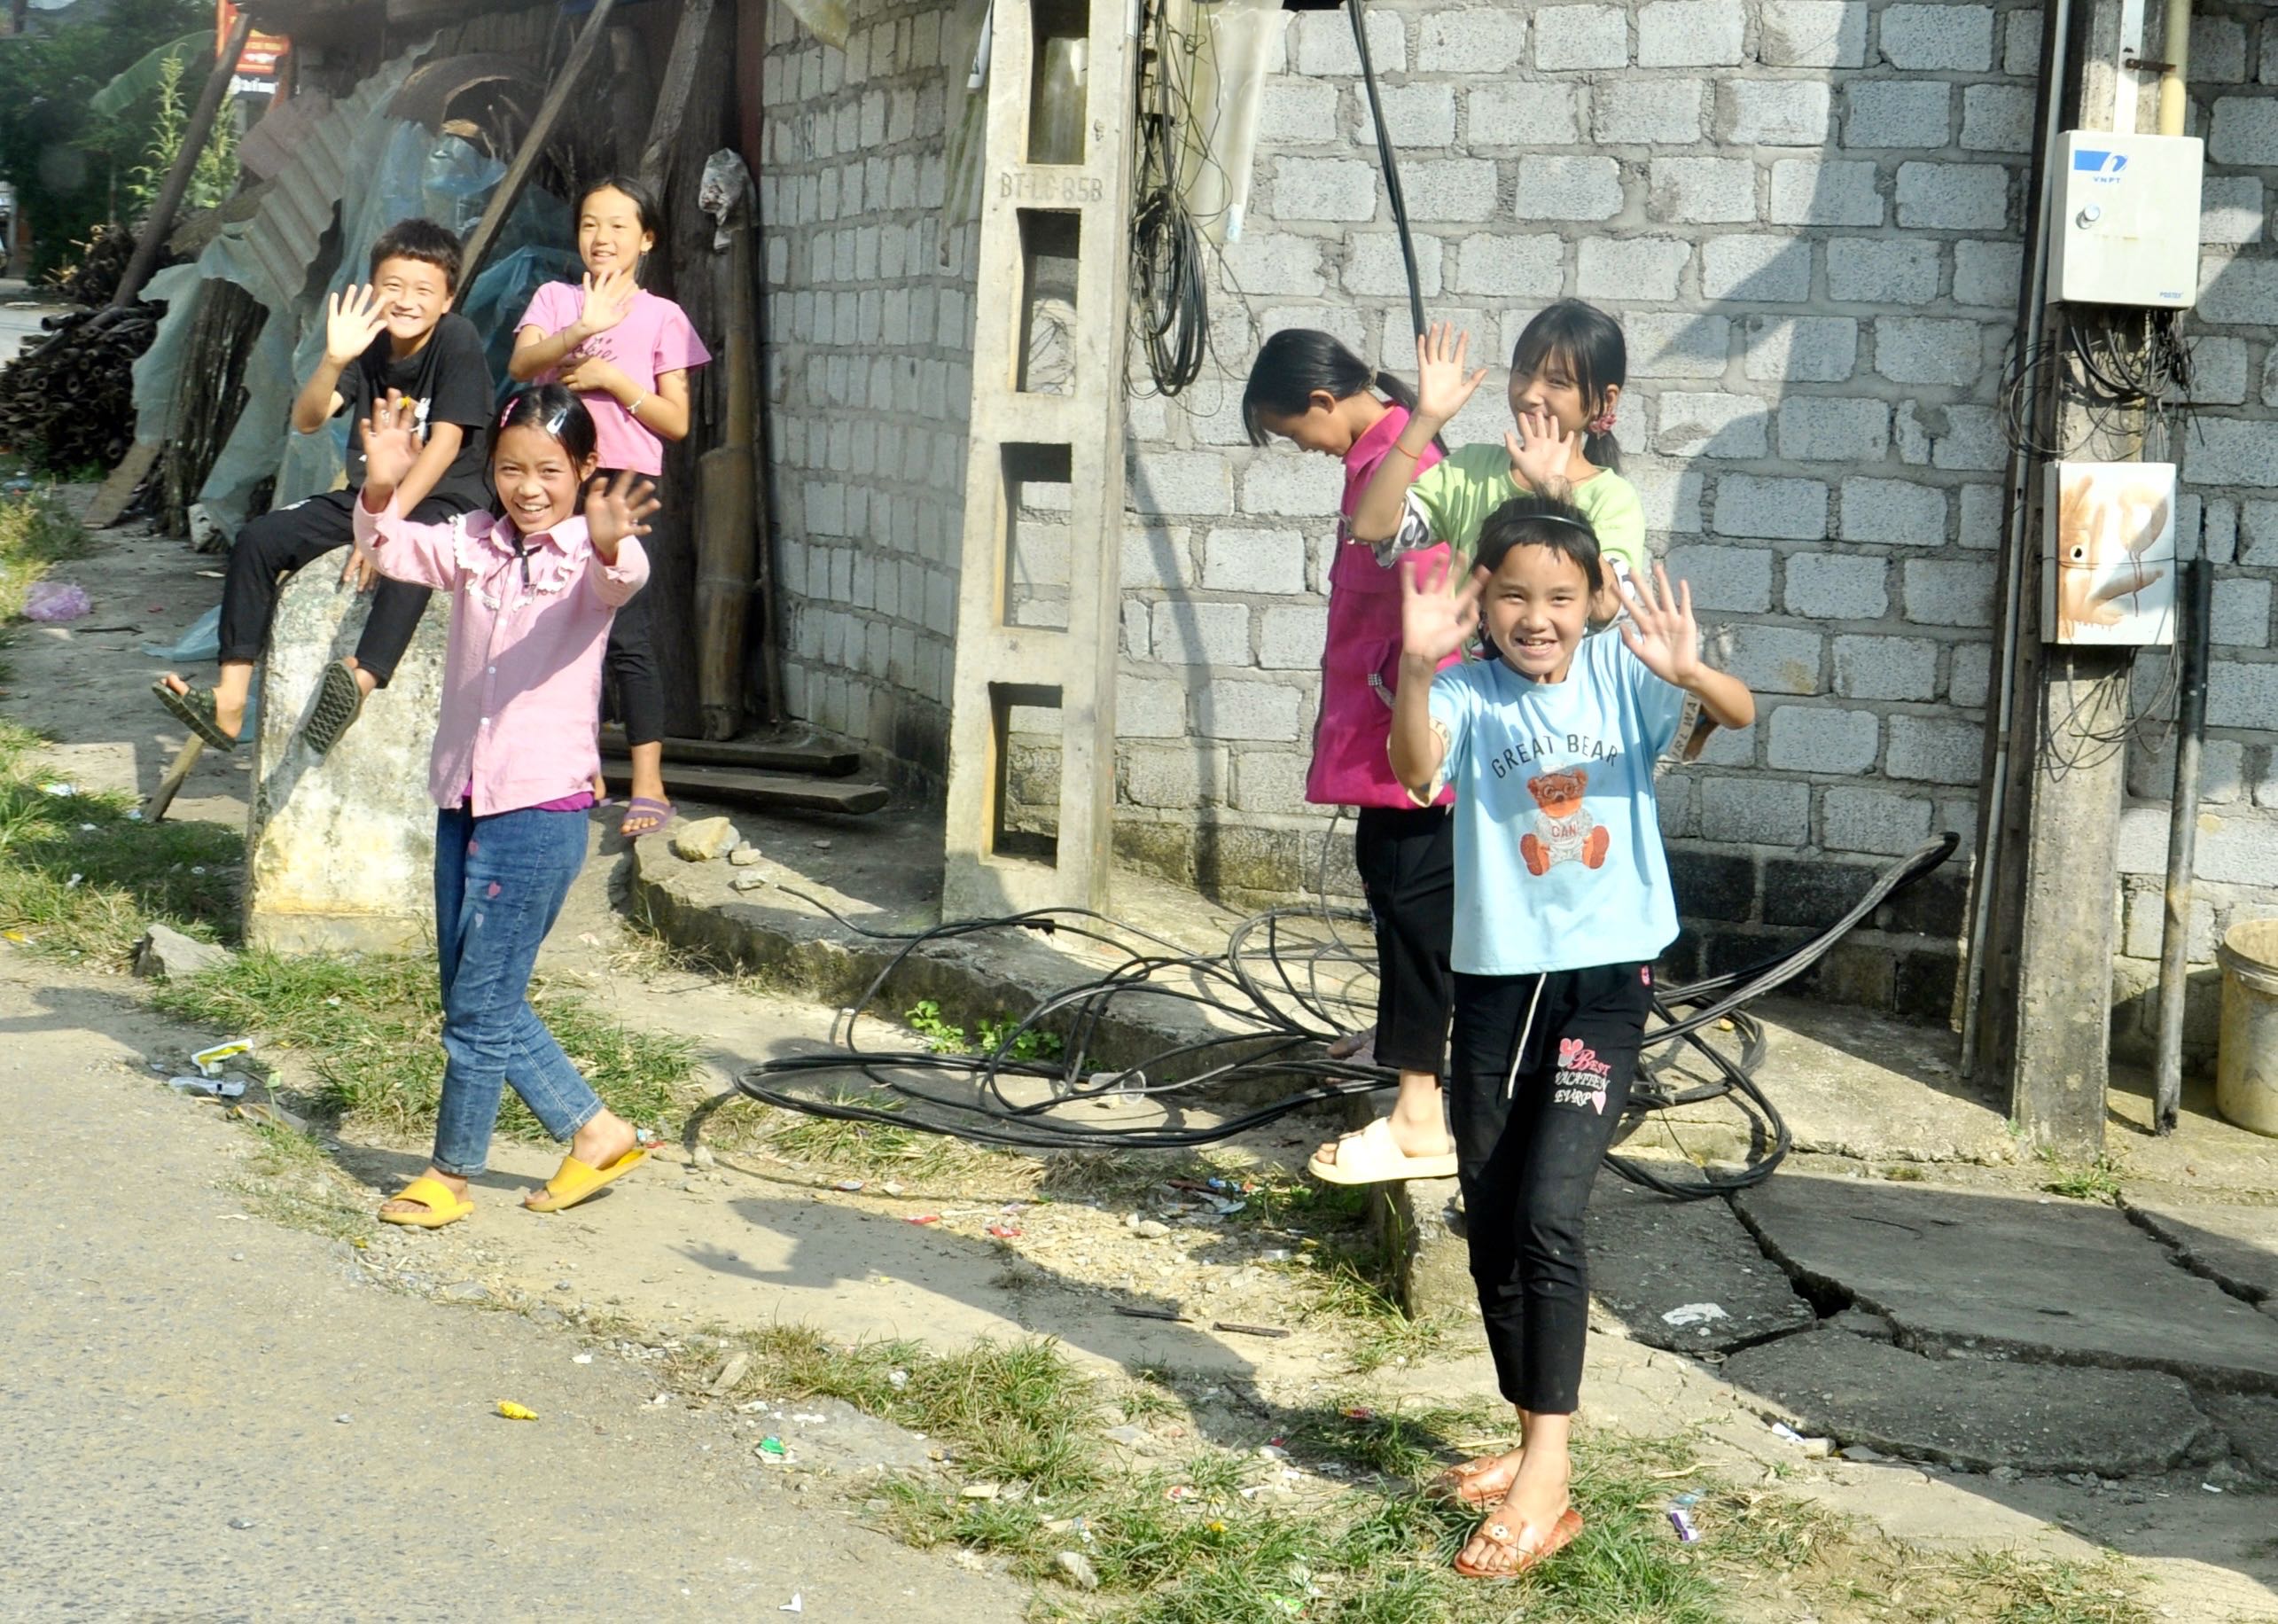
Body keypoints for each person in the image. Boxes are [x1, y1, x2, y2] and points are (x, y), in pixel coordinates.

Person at [1387, 495, 1753, 1581]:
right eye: (1512, 595)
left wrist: (1688, 671)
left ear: (1593, 599)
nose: (1535, 616)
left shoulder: (1619, 673)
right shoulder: (1467, 691)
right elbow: (1411, 768)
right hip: (1495, 990)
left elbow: (1735, 711)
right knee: (1491, 1217)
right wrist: (1414, 670)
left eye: (1558, 595)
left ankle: (1547, 1481)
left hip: (1600, 991)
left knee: (1548, 1211)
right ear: (1481, 601)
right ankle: (1527, 1439)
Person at [352, 384, 659, 1229]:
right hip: (464, 793)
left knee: (480, 1006)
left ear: (586, 469)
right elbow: (393, 549)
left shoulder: (588, 555)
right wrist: (382, 485)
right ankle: (596, 1131)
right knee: (473, 993)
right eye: (513, 469)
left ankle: (450, 1175)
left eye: (550, 471)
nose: (529, 489)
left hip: (539, 806)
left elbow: (621, 578)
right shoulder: (476, 544)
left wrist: (607, 540)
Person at [1242, 329, 1459, 1185]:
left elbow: (1438, 618)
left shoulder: (1409, 461)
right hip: (1381, 730)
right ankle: (1401, 1045)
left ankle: (1419, 1116)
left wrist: (1421, 722)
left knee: (1416, 916)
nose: (1304, 447)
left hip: (1409, 736)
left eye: (1296, 431)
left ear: (1324, 402)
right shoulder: (1374, 458)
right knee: (1391, 897)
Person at [155, 219, 494, 757]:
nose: (406, 301)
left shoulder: (457, 339)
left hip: (444, 500)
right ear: (373, 289)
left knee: (410, 557)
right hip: (371, 496)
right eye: (393, 286)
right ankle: (230, 700)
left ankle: (359, 679)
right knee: (260, 539)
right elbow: (308, 420)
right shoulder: (369, 345)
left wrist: (384, 528)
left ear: (448, 299)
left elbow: (447, 442)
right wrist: (334, 359)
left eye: (424, 290)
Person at [509, 176, 710, 839]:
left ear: (647, 239)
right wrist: (580, 332)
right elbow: (522, 364)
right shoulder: (556, 298)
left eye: (620, 226)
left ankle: (648, 783)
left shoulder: (664, 316)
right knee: (555, 623)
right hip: (552, 479)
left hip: (623, 484)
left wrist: (612, 380)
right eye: (591, 224)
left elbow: (676, 421)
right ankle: (577, 768)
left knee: (628, 633)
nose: (602, 237)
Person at [1349, 301, 1649, 623]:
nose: (1530, 394)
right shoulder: (1472, 470)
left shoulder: (1612, 498)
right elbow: (1370, 527)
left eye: (1557, 382)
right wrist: (1425, 419)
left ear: (1605, 400)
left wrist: (1555, 492)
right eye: (1523, 373)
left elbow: (1607, 607)